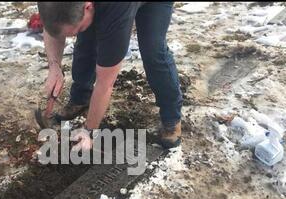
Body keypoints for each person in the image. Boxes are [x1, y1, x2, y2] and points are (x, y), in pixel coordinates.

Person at [37, 2, 183, 150]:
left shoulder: (116, 10)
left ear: (88, 6)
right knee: (86, 39)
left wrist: (89, 132)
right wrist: (54, 67)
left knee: (153, 50)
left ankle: (171, 117)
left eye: (76, 30)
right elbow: (53, 24)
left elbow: (105, 83)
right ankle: (81, 98)